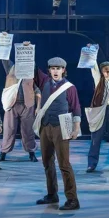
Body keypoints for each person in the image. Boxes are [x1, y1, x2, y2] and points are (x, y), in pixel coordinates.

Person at [33, 57, 81, 210]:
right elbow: (32, 68)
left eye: (58, 68)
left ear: (63, 70)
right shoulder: (44, 82)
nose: (55, 71)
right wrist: (27, 50)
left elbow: (76, 108)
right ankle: (52, 194)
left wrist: (76, 128)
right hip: (45, 126)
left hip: (62, 126)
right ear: (49, 70)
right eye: (53, 68)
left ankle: (73, 200)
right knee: (47, 162)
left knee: (64, 164)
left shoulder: (70, 87)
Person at [84, 45, 109, 173]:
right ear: (102, 71)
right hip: (100, 111)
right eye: (104, 70)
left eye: (108, 69)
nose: (106, 71)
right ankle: (91, 164)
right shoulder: (98, 80)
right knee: (96, 138)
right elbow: (93, 67)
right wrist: (92, 51)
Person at [0, 42, 41, 162]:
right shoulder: (11, 67)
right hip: (12, 104)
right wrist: (4, 41)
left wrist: (38, 106)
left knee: (28, 130)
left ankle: (31, 153)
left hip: (28, 105)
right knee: (8, 129)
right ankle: (3, 152)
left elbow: (36, 89)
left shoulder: (31, 70)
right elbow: (4, 59)